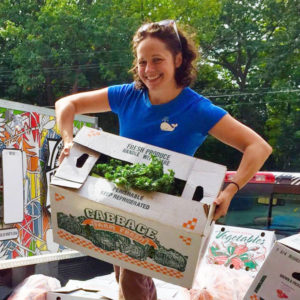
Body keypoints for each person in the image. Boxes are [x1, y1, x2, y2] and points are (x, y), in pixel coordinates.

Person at [55, 20, 272, 300]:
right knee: (125, 272)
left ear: (178, 60)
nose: (148, 70)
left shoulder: (197, 109)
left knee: (131, 271)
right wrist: (69, 141)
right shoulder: (127, 96)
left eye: (157, 60)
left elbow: (258, 147)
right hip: (120, 200)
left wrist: (231, 189)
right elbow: (66, 104)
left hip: (166, 208)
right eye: (142, 61)